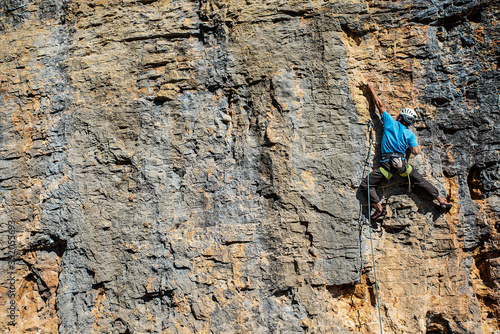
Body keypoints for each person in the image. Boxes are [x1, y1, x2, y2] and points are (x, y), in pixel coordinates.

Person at [360, 81, 453, 220]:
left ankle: (379, 209)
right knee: (420, 181)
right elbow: (415, 151)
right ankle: (441, 201)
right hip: (402, 165)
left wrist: (371, 89)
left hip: (388, 166)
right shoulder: (410, 134)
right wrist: (408, 146)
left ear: (400, 117)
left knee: (366, 184)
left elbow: (379, 105)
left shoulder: (390, 123)